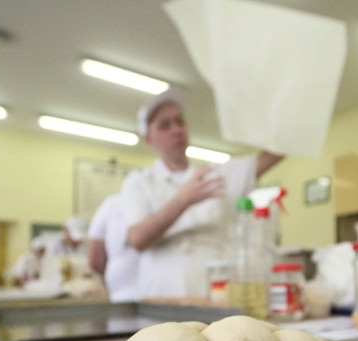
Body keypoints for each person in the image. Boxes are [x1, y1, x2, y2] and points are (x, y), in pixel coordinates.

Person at [121, 88, 284, 299]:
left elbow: (270, 157)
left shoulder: (216, 174)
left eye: (180, 121)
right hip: (161, 295)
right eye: (165, 125)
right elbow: (138, 239)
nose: (176, 129)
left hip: (214, 295)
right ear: (148, 139)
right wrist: (184, 199)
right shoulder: (139, 181)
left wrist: (285, 110)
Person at [87, 192, 140, 302]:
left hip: (123, 296)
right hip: (124, 295)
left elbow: (95, 259)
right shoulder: (112, 204)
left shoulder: (113, 204)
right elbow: (95, 258)